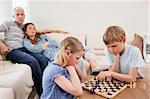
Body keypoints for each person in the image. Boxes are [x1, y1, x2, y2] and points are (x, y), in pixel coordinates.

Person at [0, 7, 49, 96]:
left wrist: (55, 31)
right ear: (13, 16)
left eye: (22, 14)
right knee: (33, 61)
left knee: (43, 59)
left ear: (24, 16)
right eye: (17, 14)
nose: (20, 17)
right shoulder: (8, 24)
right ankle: (43, 93)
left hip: (24, 50)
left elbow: (38, 31)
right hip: (13, 51)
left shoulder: (24, 27)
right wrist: (1, 45)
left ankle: (47, 86)